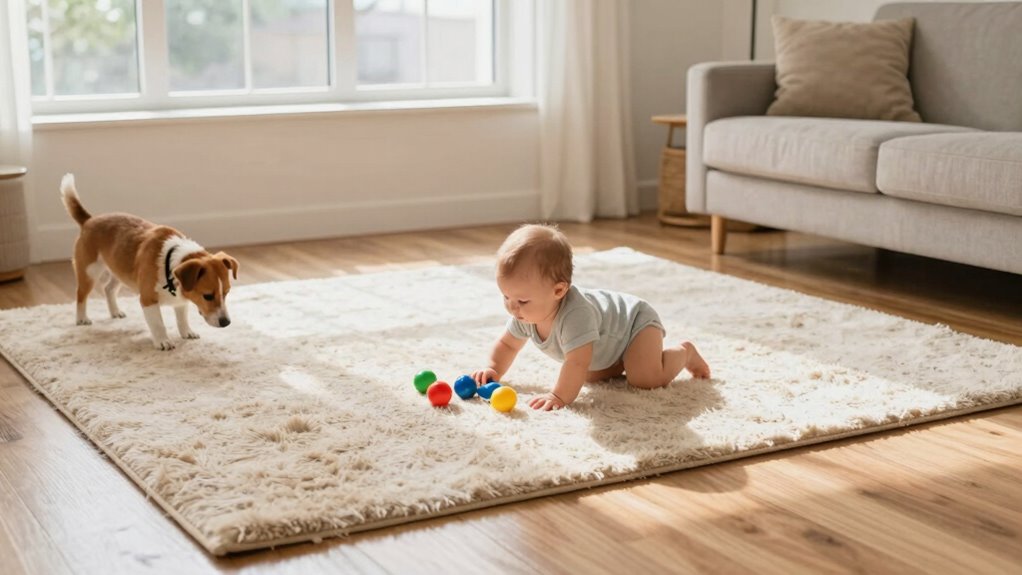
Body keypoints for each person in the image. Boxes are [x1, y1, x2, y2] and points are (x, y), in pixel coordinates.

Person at [472, 223, 710, 411]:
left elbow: (576, 362)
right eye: (505, 297)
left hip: (635, 324)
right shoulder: (524, 314)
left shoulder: (576, 316)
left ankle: (685, 352)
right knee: (590, 375)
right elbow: (507, 344)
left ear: (559, 291)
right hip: (608, 342)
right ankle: (620, 362)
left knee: (644, 379)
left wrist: (558, 396)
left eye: (522, 301)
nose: (512, 308)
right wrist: (493, 369)